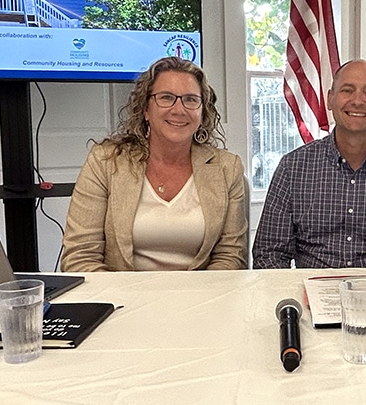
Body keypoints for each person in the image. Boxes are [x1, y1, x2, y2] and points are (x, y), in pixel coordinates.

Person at [61, 57, 248, 272]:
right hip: (122, 300)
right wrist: (127, 302)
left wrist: (196, 301)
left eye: (190, 100)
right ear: (145, 110)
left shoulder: (227, 168)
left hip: (200, 299)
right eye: (166, 98)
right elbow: (80, 256)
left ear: (202, 112)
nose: (179, 109)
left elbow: (231, 256)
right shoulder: (105, 161)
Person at [252, 59, 366, 269]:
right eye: (347, 90)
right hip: (310, 293)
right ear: (330, 99)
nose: (358, 101)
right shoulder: (293, 168)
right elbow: (269, 254)